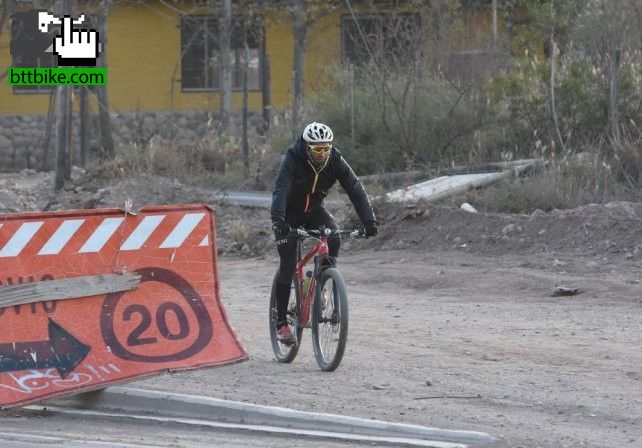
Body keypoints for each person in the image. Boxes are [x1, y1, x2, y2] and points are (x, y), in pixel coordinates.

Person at [270, 122, 378, 345]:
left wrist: (369, 222)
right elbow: (280, 189)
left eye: (325, 149)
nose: (322, 154)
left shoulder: (335, 159)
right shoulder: (293, 157)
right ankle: (281, 322)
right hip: (288, 215)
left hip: (314, 211)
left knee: (334, 238)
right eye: (317, 149)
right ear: (307, 148)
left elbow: (355, 188)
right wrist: (278, 220)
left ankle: (321, 281)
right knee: (288, 264)